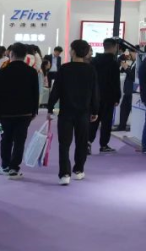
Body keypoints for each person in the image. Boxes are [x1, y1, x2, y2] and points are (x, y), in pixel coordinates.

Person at [47, 40, 99, 185]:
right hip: (84, 112)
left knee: (64, 144)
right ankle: (79, 170)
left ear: (74, 52)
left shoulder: (64, 68)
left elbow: (56, 90)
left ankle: (64, 174)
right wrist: (95, 110)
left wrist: (50, 108)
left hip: (66, 112)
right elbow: (95, 91)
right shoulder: (91, 70)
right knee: (81, 142)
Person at [0, 43, 39, 179]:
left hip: (5, 113)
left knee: (5, 139)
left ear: (11, 54)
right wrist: (34, 111)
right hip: (25, 113)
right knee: (19, 140)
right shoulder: (31, 72)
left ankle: (5, 166)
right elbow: (35, 93)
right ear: (25, 55)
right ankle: (14, 168)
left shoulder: (2, 72)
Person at [116, 49, 136, 132]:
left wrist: (127, 68)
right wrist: (124, 56)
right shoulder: (132, 62)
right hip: (127, 90)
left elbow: (134, 76)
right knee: (124, 108)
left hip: (132, 91)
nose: (129, 55)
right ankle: (121, 126)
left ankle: (133, 128)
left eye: (131, 53)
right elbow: (120, 66)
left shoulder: (138, 64)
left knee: (132, 110)